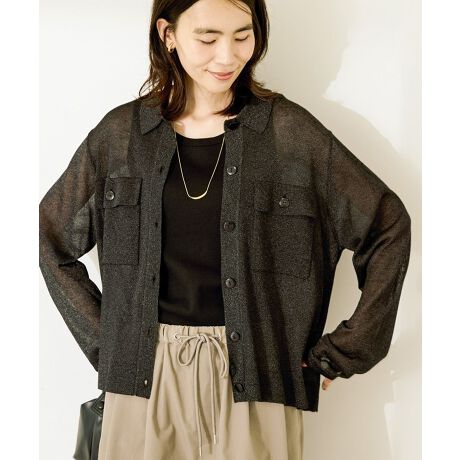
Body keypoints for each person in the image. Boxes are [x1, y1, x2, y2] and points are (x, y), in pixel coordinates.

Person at [39, 0, 411, 459]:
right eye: (208, 37)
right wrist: (113, 343)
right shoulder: (121, 137)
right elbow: (50, 236)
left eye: (242, 35)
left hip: (258, 374)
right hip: (142, 379)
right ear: (168, 34)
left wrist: (347, 349)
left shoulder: (290, 135)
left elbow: (387, 224)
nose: (228, 55)